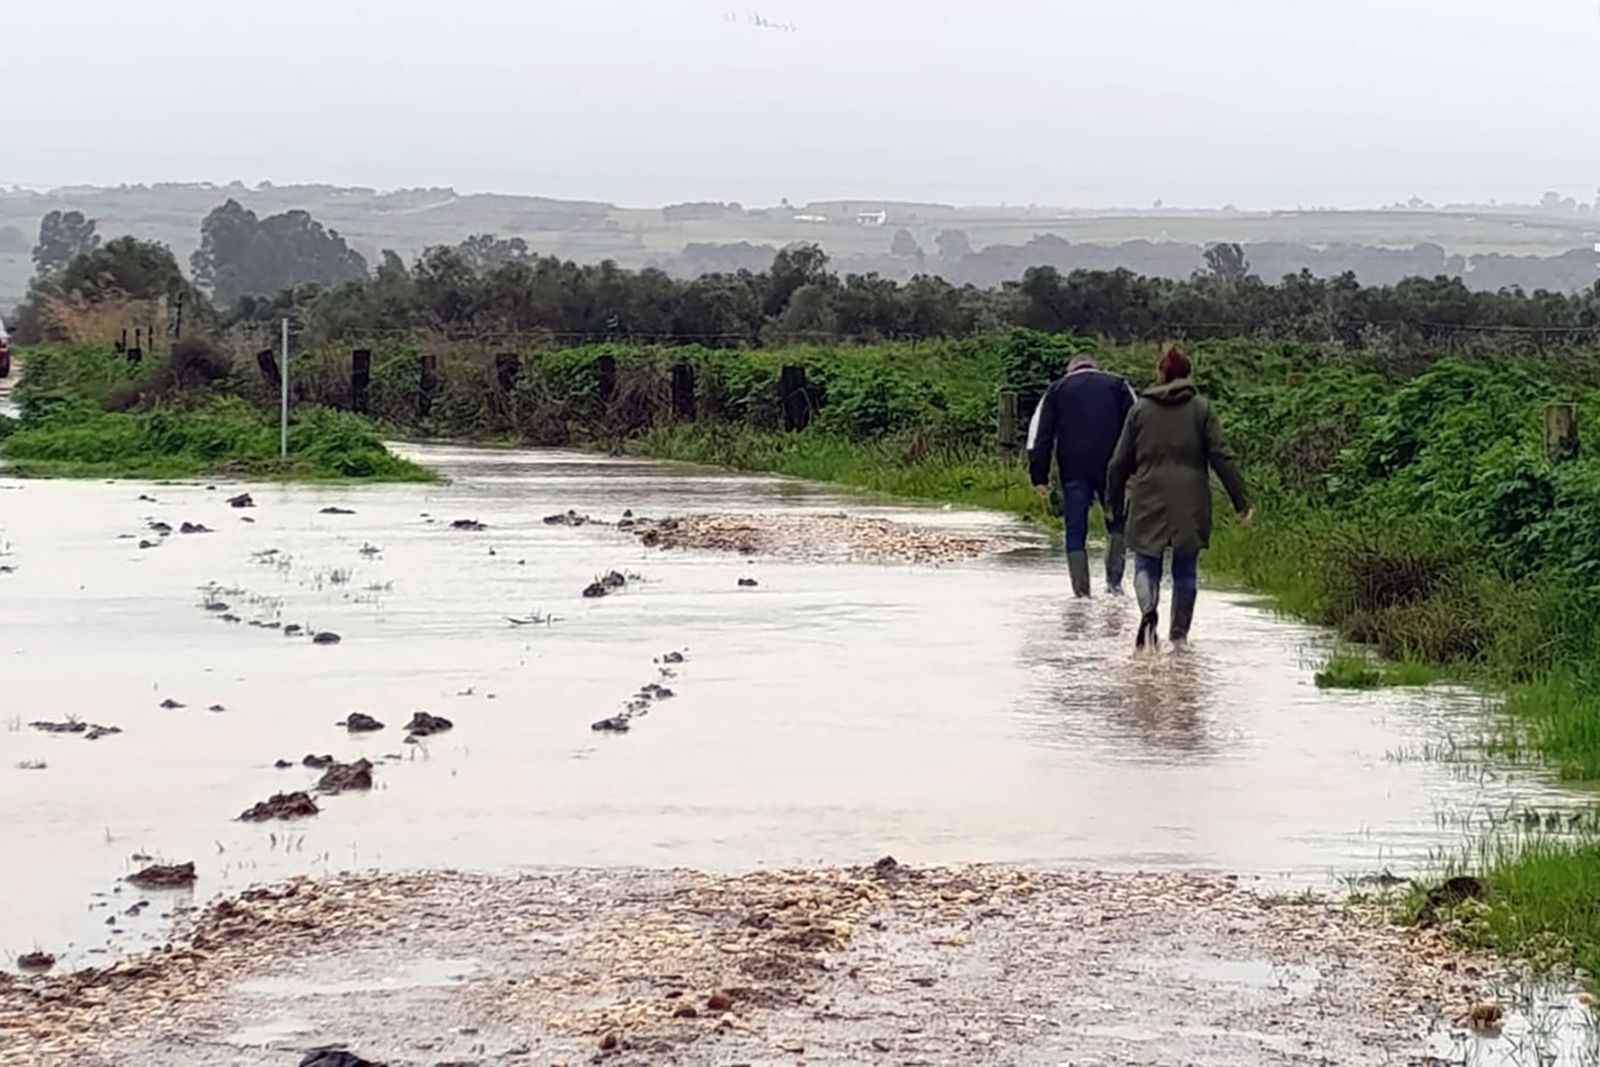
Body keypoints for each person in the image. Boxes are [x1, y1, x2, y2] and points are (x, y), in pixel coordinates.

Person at [1106, 344, 1251, 649]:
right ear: (1188, 374)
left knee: (1146, 562)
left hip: (1147, 495)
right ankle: (1179, 638)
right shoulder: (1202, 409)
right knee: (1185, 568)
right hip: (1191, 499)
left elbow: (1119, 461)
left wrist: (1113, 501)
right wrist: (1241, 502)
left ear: (1160, 373)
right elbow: (1222, 457)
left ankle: (1148, 611)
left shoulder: (1140, 409)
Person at [1027, 354, 1138, 596]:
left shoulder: (1056, 390)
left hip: (1073, 469)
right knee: (1117, 525)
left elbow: (1040, 435)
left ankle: (1081, 593)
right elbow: (1138, 426)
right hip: (1113, 470)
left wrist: (1039, 476)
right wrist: (1137, 468)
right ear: (1095, 366)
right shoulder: (1119, 385)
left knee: (1075, 531)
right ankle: (1114, 585)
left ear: (1070, 369)